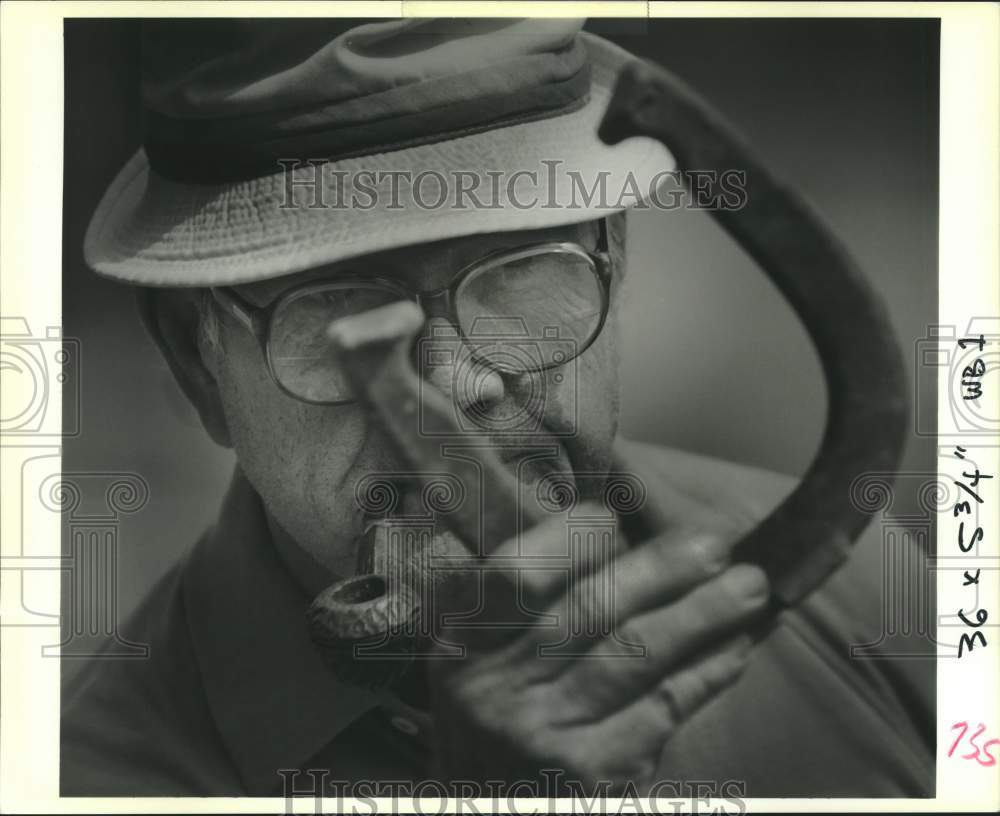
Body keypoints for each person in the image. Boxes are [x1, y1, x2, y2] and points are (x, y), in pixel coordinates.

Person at [62, 17, 934, 799]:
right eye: (340, 303)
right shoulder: (95, 780)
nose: (458, 383)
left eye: (520, 271)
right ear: (196, 360)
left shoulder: (864, 603)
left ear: (614, 260)